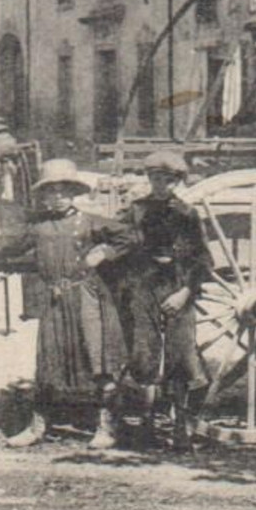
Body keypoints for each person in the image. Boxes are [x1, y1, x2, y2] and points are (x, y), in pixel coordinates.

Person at [0, 158, 127, 450]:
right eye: (51, 191)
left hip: (86, 298)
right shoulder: (37, 227)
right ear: (44, 195)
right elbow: (6, 244)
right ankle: (38, 427)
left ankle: (106, 427)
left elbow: (130, 236)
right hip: (55, 301)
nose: (58, 197)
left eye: (63, 191)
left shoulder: (89, 222)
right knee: (48, 363)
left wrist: (105, 252)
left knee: (97, 360)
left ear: (73, 193)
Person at [92, 150, 211, 450]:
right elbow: (115, 236)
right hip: (143, 287)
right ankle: (146, 424)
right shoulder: (136, 210)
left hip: (177, 287)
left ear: (178, 181)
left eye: (168, 180)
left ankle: (181, 426)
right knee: (143, 353)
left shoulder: (187, 214)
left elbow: (201, 259)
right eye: (156, 179)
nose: (161, 185)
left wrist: (185, 293)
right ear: (149, 180)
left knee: (181, 353)